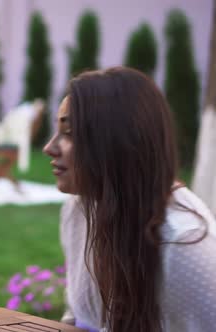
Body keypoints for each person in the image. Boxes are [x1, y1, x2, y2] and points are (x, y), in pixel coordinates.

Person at [44, 67, 216, 332]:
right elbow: (79, 314)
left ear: (116, 140)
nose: (49, 148)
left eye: (69, 133)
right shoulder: (78, 210)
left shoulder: (182, 243)